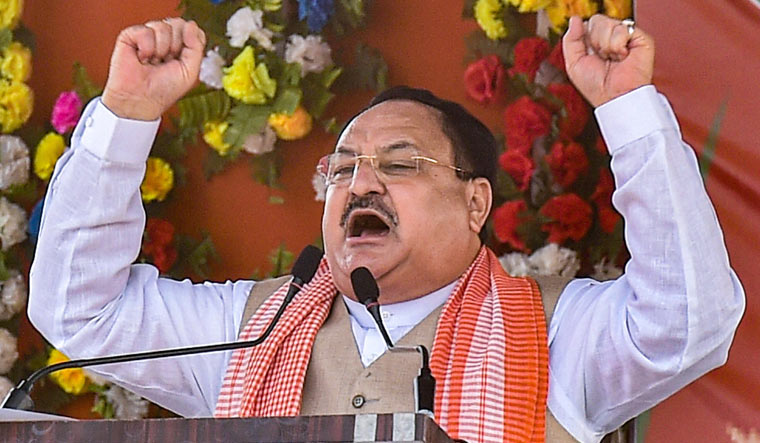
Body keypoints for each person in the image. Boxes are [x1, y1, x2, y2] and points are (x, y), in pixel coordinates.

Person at [28, 13, 744, 443]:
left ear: (475, 204)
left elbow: (688, 322)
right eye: (342, 169)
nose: (360, 184)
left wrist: (628, 109)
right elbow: (81, 312)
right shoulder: (245, 332)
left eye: (399, 164)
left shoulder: (557, 332)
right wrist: (125, 115)